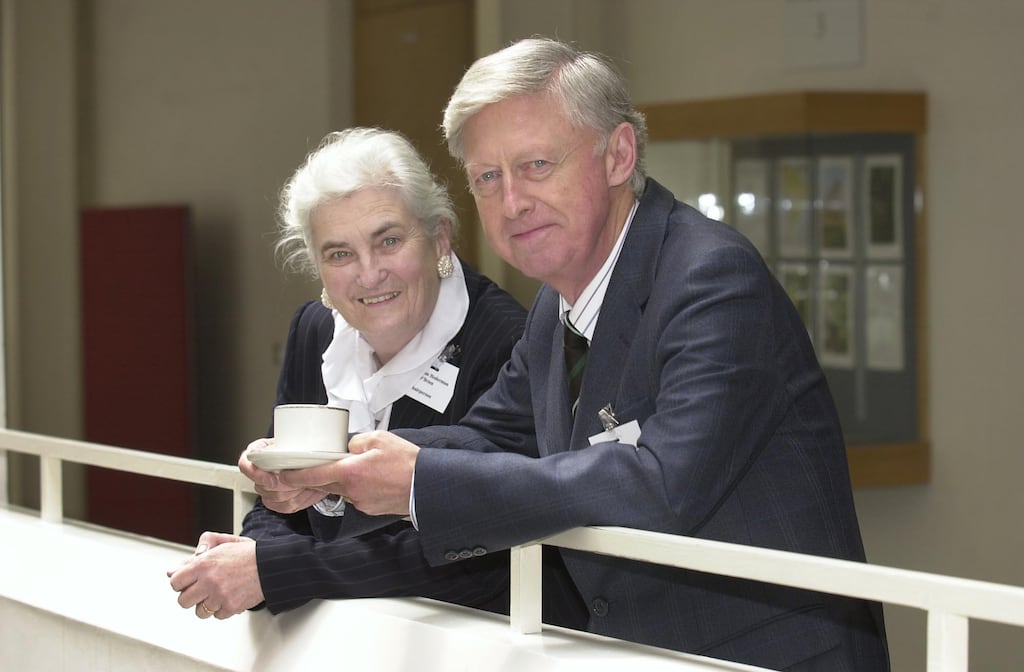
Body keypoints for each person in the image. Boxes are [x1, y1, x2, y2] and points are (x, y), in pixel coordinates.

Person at [253, 38, 892, 670]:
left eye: (536, 165)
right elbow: (490, 437)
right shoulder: (555, 306)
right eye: (488, 178)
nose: (512, 202)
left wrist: (418, 483)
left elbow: (661, 486)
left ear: (618, 155)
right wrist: (332, 472)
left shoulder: (711, 277)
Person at [167, 127, 529, 620]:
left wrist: (276, 570)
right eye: (339, 254)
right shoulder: (315, 329)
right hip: (339, 628)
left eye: (389, 241)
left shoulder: (508, 342)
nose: (369, 273)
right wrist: (252, 552)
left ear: (440, 237)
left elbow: (478, 550)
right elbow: (279, 499)